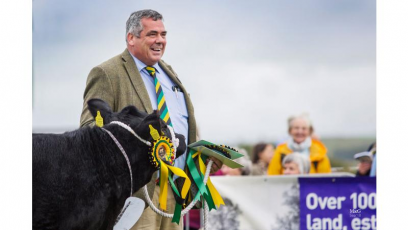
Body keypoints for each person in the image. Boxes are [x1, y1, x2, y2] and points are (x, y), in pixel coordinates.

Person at [79, 9, 222, 230]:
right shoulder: (107, 73)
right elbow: (90, 131)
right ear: (131, 38)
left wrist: (201, 158)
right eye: (152, 34)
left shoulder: (170, 73)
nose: (160, 41)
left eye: (163, 35)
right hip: (135, 195)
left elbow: (183, 125)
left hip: (175, 191)